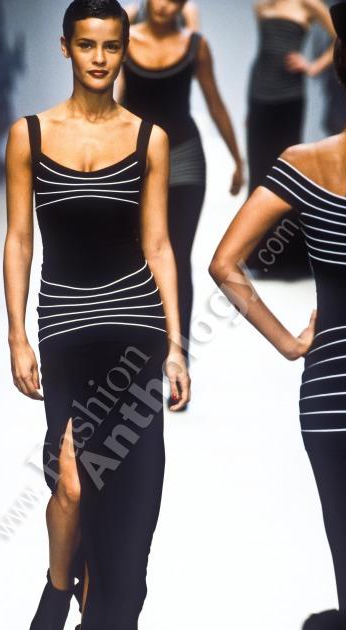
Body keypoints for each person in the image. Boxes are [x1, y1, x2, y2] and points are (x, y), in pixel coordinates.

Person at [3, 1, 190, 630]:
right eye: (87, 45)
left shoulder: (149, 138)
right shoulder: (29, 135)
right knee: (74, 485)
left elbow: (159, 245)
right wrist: (16, 333)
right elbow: (18, 238)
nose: (100, 59)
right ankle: (60, 583)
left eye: (111, 46)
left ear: (124, 50)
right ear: (66, 48)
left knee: (130, 508)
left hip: (134, 333)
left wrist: (176, 345)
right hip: (65, 334)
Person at [208, 1, 346, 630]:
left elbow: (225, 263)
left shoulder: (305, 163)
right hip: (341, 393)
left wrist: (289, 342)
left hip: (334, 389)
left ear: (338, 75)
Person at [117, 0, 243, 396]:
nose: (163, 4)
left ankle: (176, 365)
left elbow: (214, 101)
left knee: (176, 256)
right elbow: (111, 100)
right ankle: (134, 365)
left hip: (184, 158)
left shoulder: (195, 45)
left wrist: (238, 159)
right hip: (135, 158)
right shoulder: (124, 40)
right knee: (135, 259)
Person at [245, 0, 336, 278]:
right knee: (259, 173)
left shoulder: (309, 4)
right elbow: (263, 53)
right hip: (259, 94)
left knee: (286, 175)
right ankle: (259, 257)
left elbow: (341, 38)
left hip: (289, 96)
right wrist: (249, 109)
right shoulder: (261, 6)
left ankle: (290, 259)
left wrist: (313, 66)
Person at [124, 0, 200, 28]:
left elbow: (194, 48)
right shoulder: (132, 12)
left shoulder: (188, 10)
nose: (162, 5)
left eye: (172, 1)